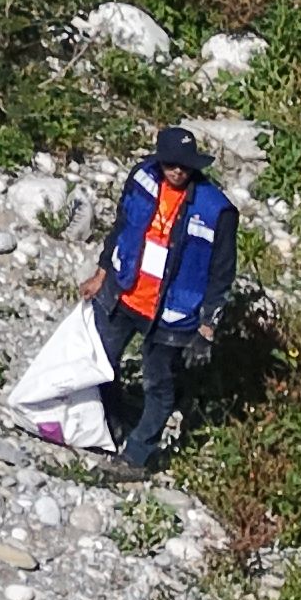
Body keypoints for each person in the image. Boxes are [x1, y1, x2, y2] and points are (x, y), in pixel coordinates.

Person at [86, 123, 234, 476]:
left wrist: (208, 327)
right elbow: (121, 226)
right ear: (160, 160)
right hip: (125, 292)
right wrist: (102, 273)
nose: (178, 171)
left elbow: (222, 272)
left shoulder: (217, 210)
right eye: (171, 164)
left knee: (158, 384)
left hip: (173, 313)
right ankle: (111, 423)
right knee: (101, 363)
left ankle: (137, 456)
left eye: (185, 165)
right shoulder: (142, 179)